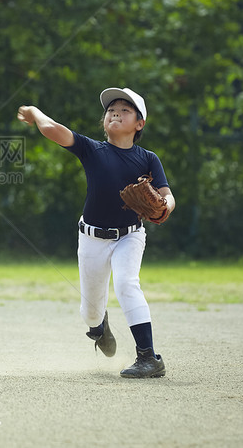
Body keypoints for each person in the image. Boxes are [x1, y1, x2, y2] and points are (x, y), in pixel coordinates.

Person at [17, 87, 175, 378]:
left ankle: (149, 358)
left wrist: (166, 206)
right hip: (91, 238)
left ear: (140, 124)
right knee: (90, 312)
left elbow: (167, 194)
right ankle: (99, 327)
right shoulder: (92, 149)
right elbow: (53, 130)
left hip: (130, 235)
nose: (115, 112)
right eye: (110, 110)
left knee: (127, 284)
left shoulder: (148, 159)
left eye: (125, 110)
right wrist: (35, 113)